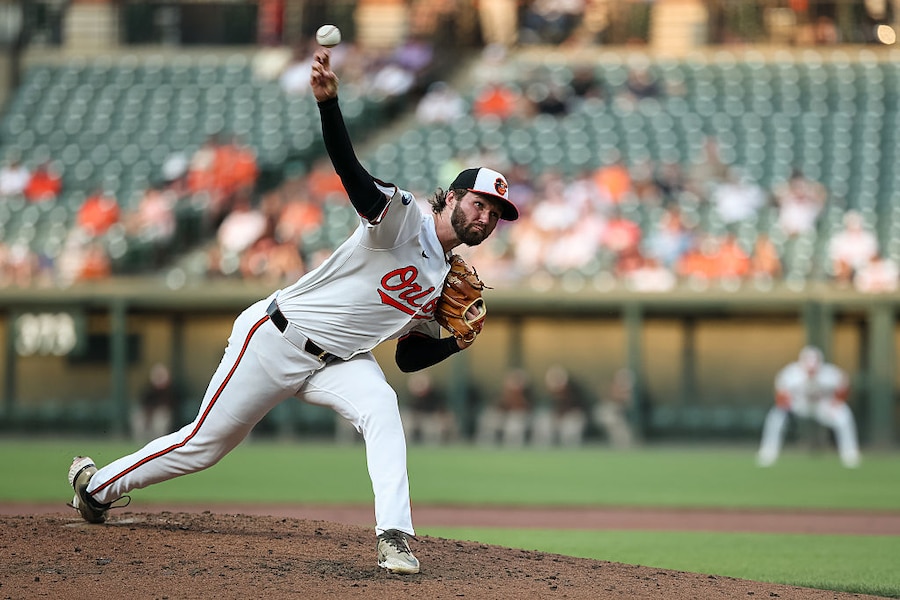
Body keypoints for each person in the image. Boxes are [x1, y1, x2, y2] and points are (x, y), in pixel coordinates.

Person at [66, 48, 519, 575]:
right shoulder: (403, 217)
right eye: (479, 204)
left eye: (495, 215)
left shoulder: (444, 278)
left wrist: (456, 342)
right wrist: (330, 106)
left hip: (340, 360)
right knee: (203, 446)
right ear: (454, 197)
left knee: (383, 410)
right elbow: (352, 174)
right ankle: (96, 487)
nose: (486, 218)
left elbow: (409, 359)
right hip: (277, 336)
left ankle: (395, 536)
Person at [757, 346, 861, 468]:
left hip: (822, 406)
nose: (811, 371)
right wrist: (787, 403)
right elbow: (780, 396)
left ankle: (850, 453)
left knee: (843, 414)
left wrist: (837, 401)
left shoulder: (830, 373)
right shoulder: (791, 373)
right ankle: (768, 452)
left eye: (814, 368)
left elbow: (844, 387)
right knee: (776, 416)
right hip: (799, 405)